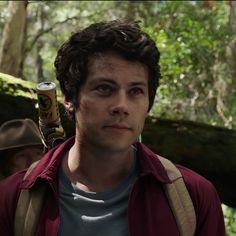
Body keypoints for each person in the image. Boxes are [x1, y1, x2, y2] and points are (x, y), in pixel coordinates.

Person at [0, 20, 225, 236]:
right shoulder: (12, 199)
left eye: (135, 91)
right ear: (69, 97)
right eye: (105, 89)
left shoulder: (193, 197)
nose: (121, 106)